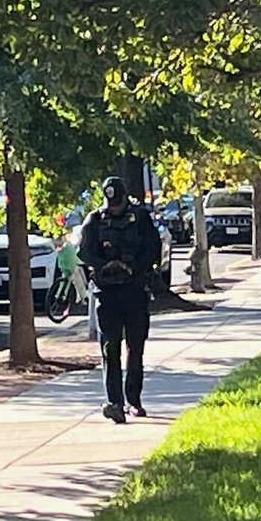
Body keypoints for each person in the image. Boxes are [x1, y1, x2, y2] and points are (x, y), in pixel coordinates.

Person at [79, 176, 158, 424]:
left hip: (134, 291)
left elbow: (153, 249)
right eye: (110, 204)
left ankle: (133, 400)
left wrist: (132, 267)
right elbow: (84, 251)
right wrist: (107, 265)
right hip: (107, 294)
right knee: (109, 348)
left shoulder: (141, 218)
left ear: (124, 197)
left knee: (135, 348)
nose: (114, 208)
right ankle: (115, 402)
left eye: (117, 203)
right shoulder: (95, 220)